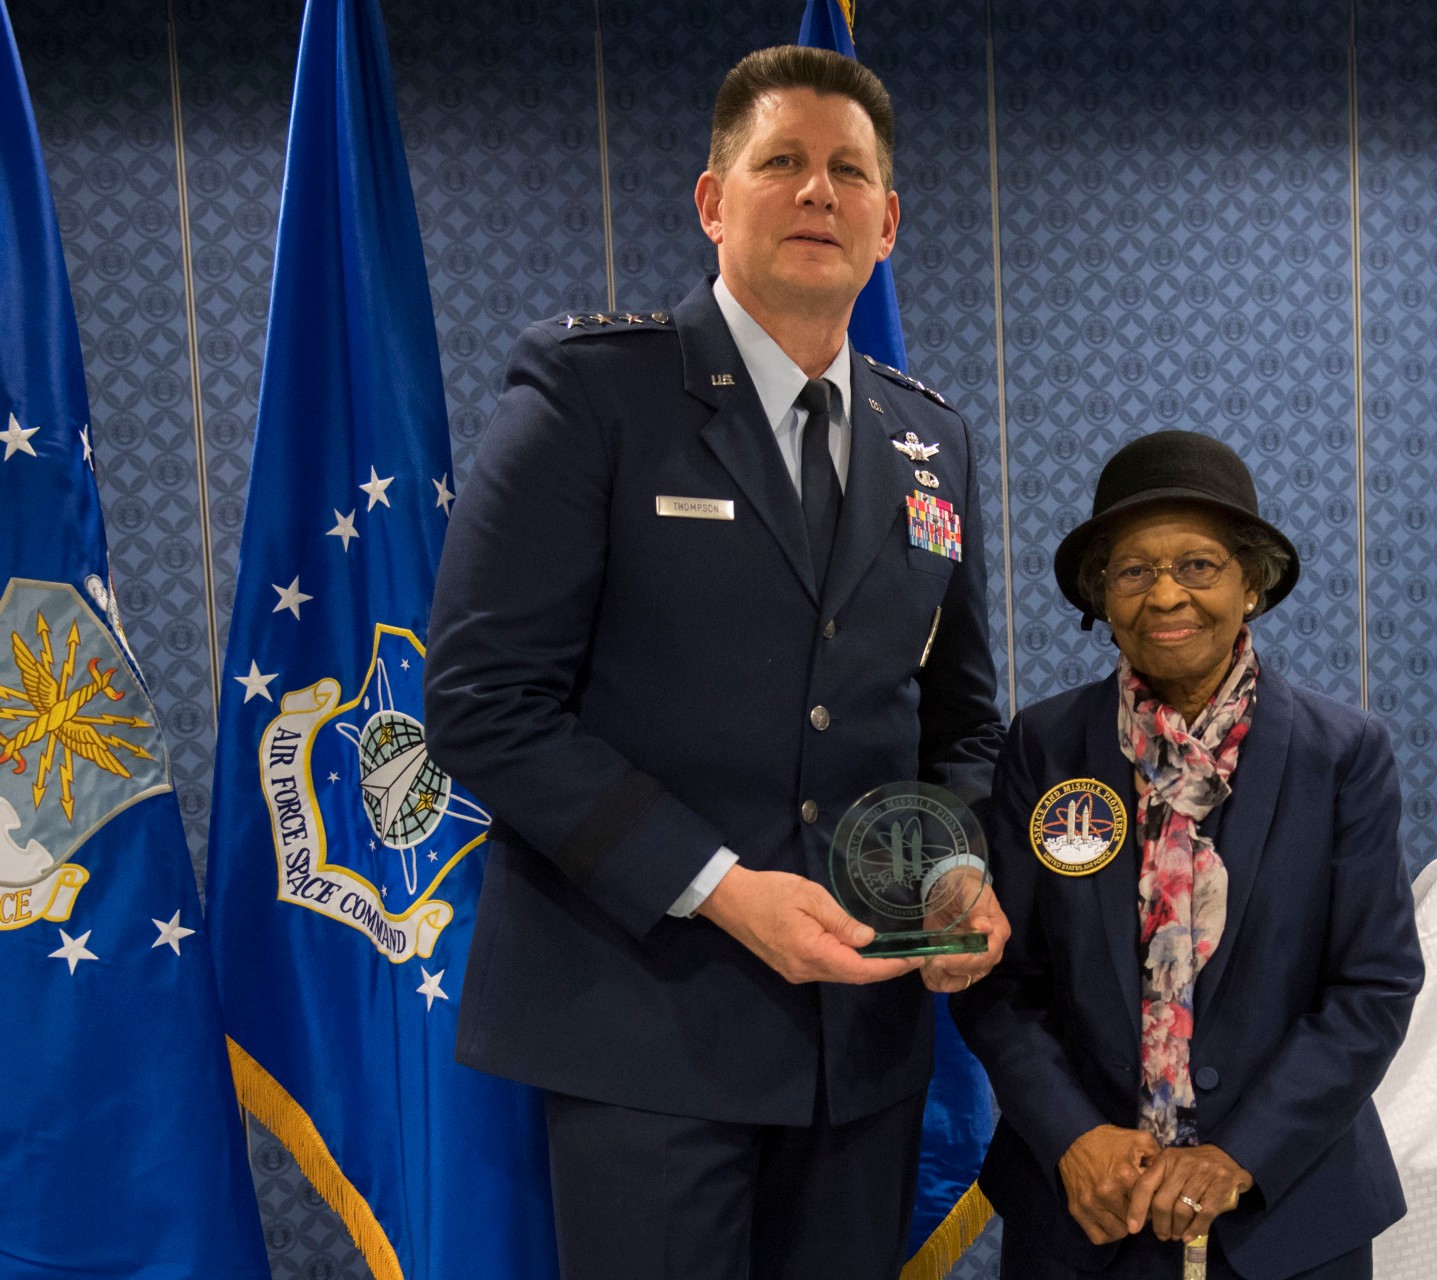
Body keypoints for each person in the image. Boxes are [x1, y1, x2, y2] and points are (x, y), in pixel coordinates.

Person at [424, 45, 1008, 1280]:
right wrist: (722, 884)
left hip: (860, 1041)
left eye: (849, 172)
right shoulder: (595, 392)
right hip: (645, 1021)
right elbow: (484, 704)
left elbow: (958, 720)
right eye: (782, 162)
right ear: (712, 200)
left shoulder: (932, 438)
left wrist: (954, 861)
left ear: (888, 221)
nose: (817, 193)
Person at [951, 430, 1423, 1279]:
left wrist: (1239, 1153)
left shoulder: (1341, 753)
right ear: (1102, 595)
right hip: (1086, 1213)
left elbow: (1373, 985)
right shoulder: (1045, 747)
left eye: (1199, 566)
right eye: (1132, 571)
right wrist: (1072, 1136)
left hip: (1285, 1219)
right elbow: (1002, 981)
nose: (1166, 594)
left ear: (1253, 584)